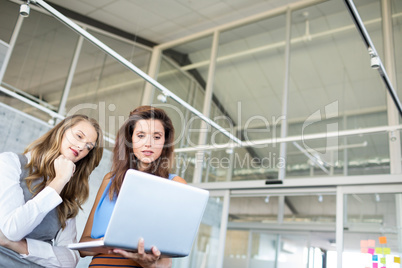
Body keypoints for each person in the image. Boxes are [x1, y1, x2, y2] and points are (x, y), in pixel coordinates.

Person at [79, 105, 186, 268]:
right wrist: (110, 243)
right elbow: (83, 247)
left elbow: (166, 262)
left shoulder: (175, 185)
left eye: (157, 137)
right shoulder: (110, 180)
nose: (148, 143)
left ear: (165, 142)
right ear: (130, 139)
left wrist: (149, 264)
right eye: (141, 135)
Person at [0, 114, 104, 268]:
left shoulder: (68, 199)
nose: (82, 147)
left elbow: (70, 259)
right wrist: (59, 180)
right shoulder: (10, 163)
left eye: (88, 147)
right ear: (61, 132)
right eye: (79, 136)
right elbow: (13, 229)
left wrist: (19, 246)